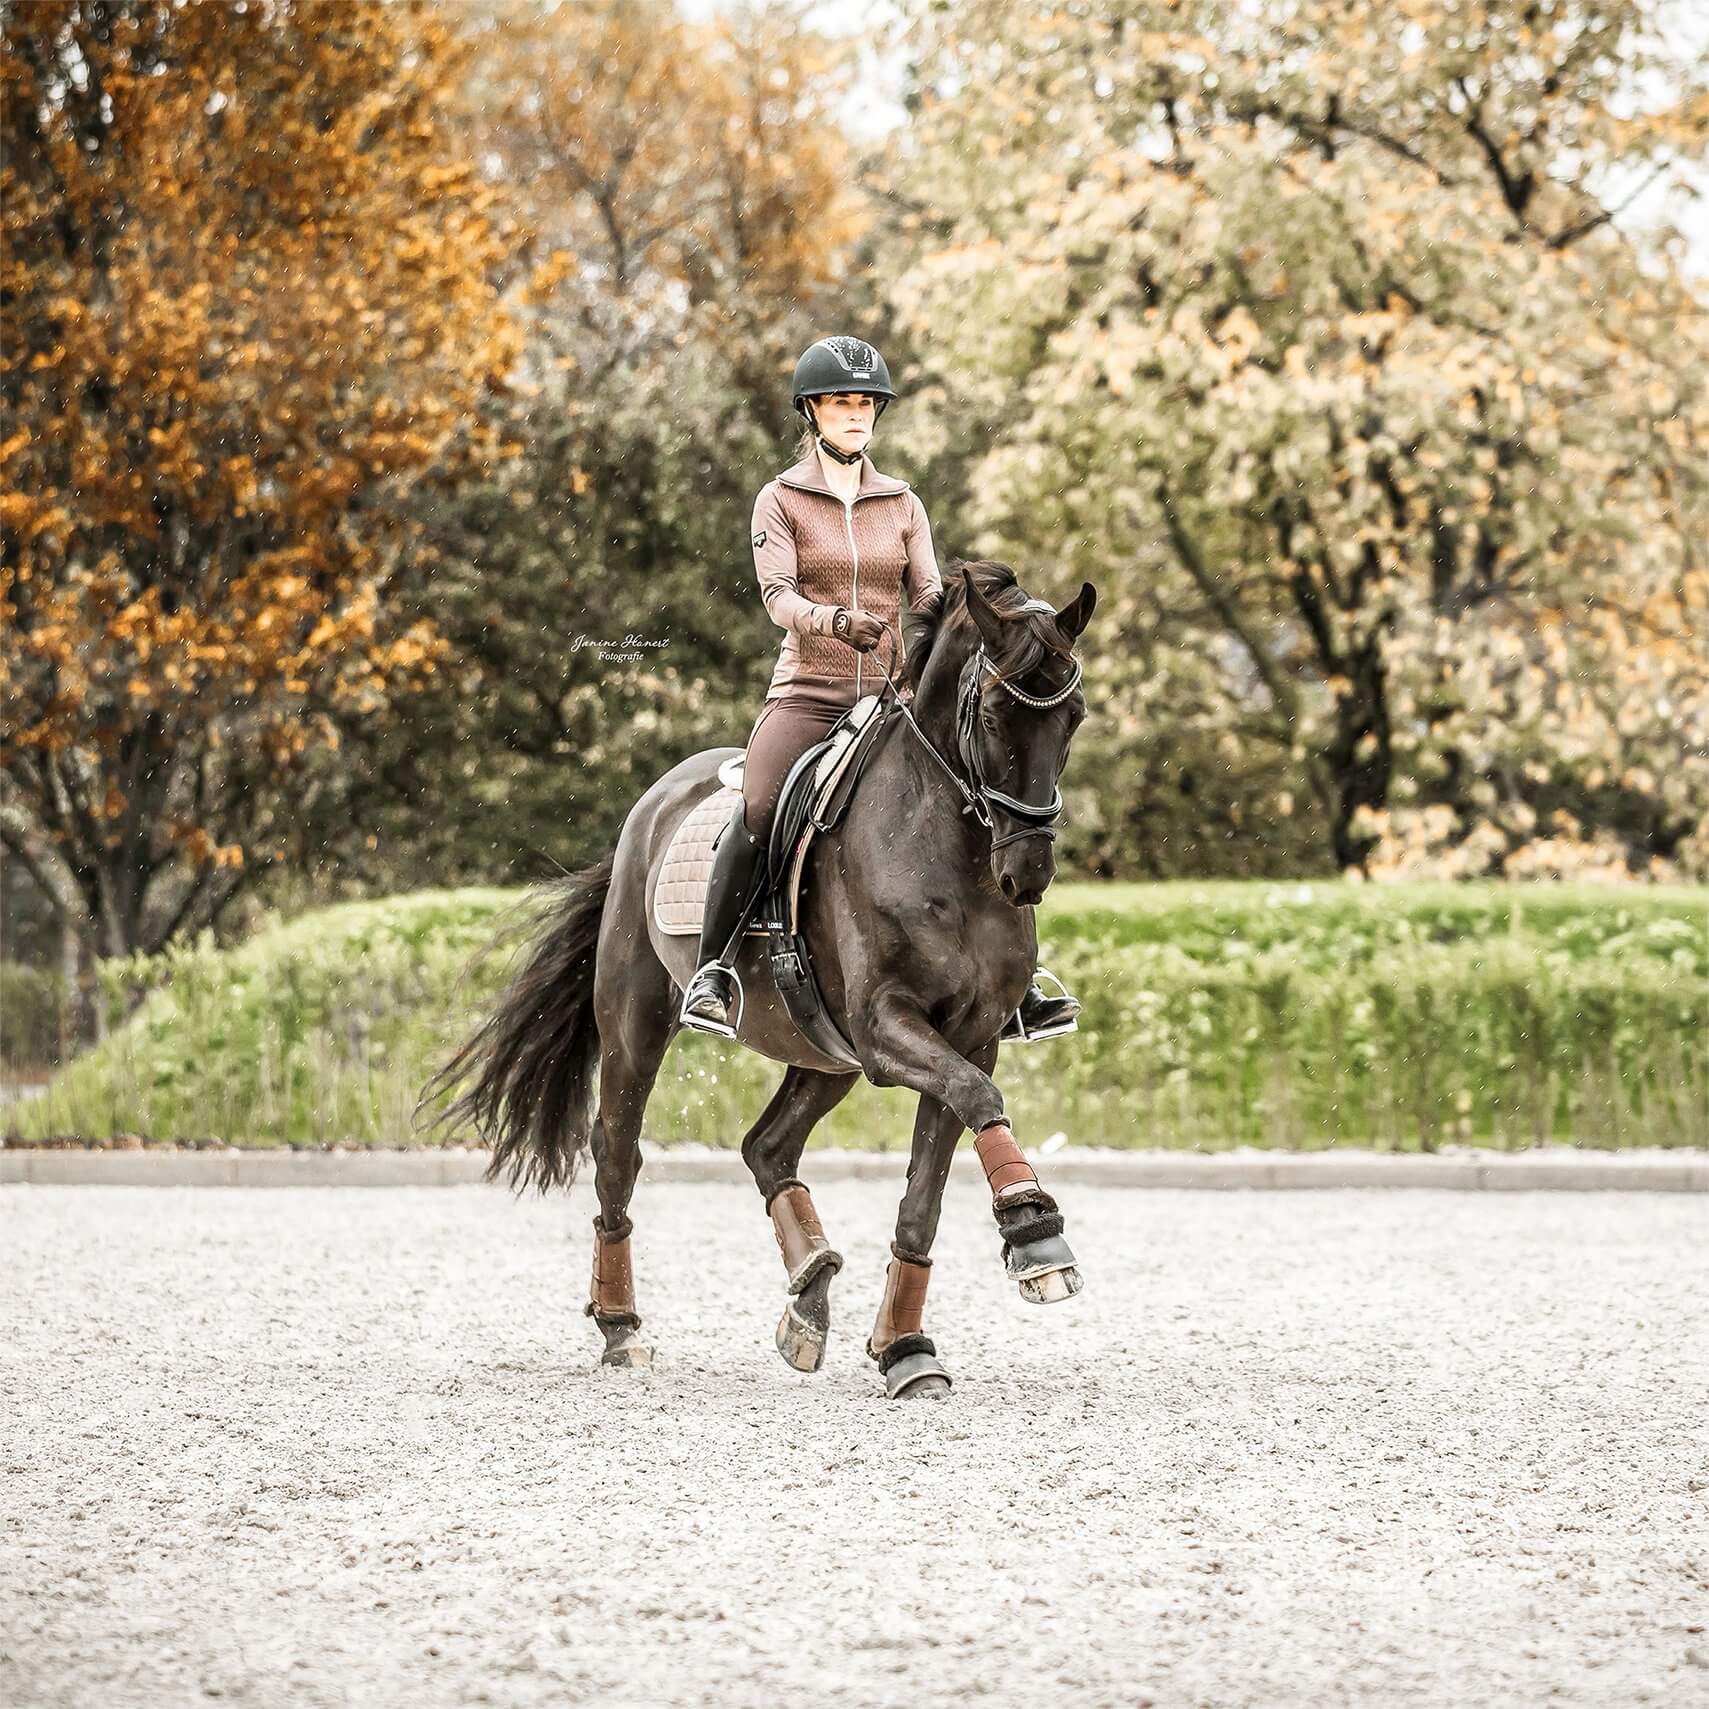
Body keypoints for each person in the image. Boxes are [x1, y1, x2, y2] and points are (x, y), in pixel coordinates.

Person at [678, 335, 1081, 1043]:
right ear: (811, 412)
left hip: (892, 699)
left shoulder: (901, 503)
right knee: (761, 805)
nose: (855, 414)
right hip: (808, 690)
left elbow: (926, 594)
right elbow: (776, 597)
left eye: (864, 403)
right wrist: (834, 620)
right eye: (840, 403)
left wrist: (987, 616)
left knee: (980, 800)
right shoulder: (779, 500)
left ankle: (1018, 982)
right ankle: (715, 969)